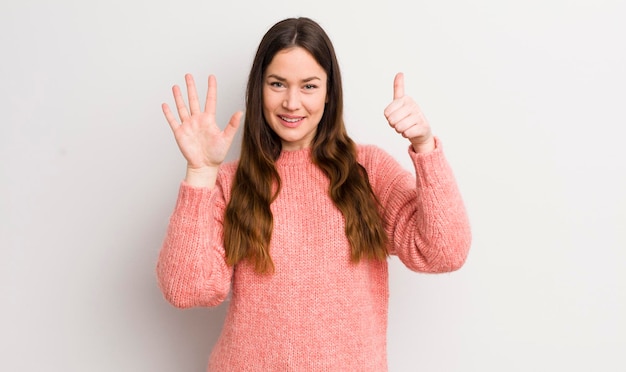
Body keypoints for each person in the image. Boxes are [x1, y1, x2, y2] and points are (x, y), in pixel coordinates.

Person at [157, 16, 471, 371]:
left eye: (308, 86)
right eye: (277, 84)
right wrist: (200, 174)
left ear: (329, 93)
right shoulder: (231, 182)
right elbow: (186, 289)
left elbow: (444, 252)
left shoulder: (367, 170)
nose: (292, 102)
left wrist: (425, 147)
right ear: (259, 89)